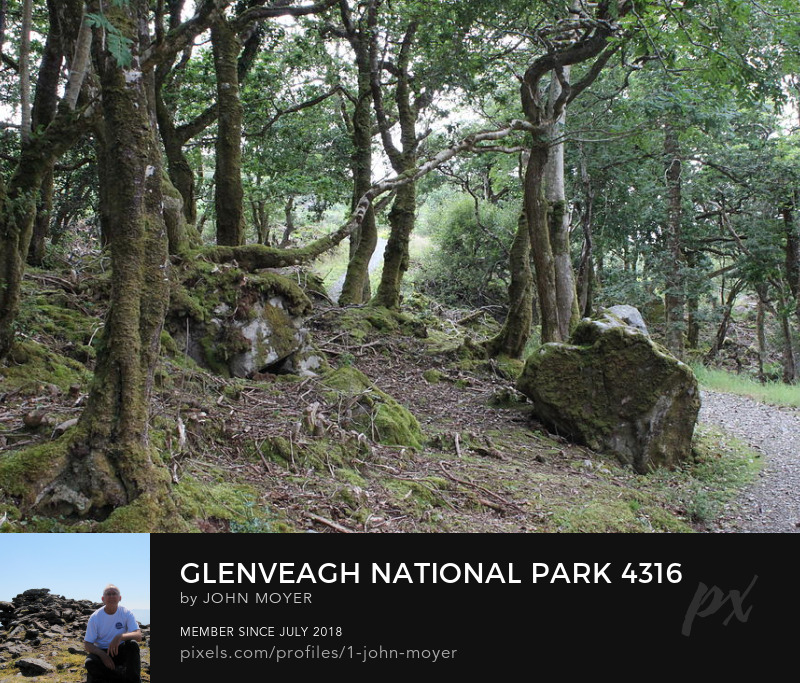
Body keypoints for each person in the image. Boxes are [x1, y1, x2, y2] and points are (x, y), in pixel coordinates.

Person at [84, 584, 142, 683]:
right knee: (90, 662)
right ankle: (119, 677)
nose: (111, 596)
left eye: (114, 594)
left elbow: (138, 635)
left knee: (132, 645)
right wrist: (103, 655)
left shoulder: (126, 613)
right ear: (103, 598)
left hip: (119, 650)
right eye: (108, 594)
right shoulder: (95, 617)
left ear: (120, 598)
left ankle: (134, 680)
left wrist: (120, 636)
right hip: (102, 651)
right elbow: (87, 644)